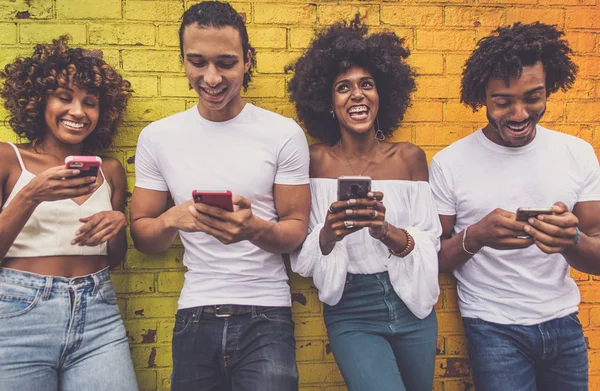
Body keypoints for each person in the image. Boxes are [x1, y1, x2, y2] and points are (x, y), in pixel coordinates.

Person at [129, 2, 310, 390]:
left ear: (247, 61)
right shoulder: (158, 138)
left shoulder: (282, 134)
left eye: (225, 63)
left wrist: (255, 229)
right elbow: (143, 236)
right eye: (198, 62)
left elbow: (296, 229)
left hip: (268, 314)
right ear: (183, 62)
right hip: (194, 313)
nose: (211, 77)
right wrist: (170, 220)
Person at [429, 22, 600, 390]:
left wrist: (570, 240)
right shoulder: (449, 162)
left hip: (564, 323)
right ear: (483, 97)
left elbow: (598, 258)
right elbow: (432, 260)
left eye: (533, 97)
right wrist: (475, 237)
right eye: (503, 101)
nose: (520, 113)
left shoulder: (577, 153)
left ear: (549, 88)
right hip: (492, 327)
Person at [288, 17, 440, 391]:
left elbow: (430, 241)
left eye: (366, 84)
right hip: (351, 308)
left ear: (382, 94)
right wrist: (329, 233)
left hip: (412, 303)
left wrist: (385, 232)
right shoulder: (315, 161)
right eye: (343, 87)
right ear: (327, 101)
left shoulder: (409, 158)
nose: (357, 95)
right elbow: (303, 259)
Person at [0, 36, 137, 390]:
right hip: (18, 313)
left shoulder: (110, 169)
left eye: (90, 103)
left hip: (99, 311)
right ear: (38, 101)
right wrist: (31, 194)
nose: (78, 112)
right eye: (65, 97)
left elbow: (115, 257)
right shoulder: (7, 158)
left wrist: (117, 223)